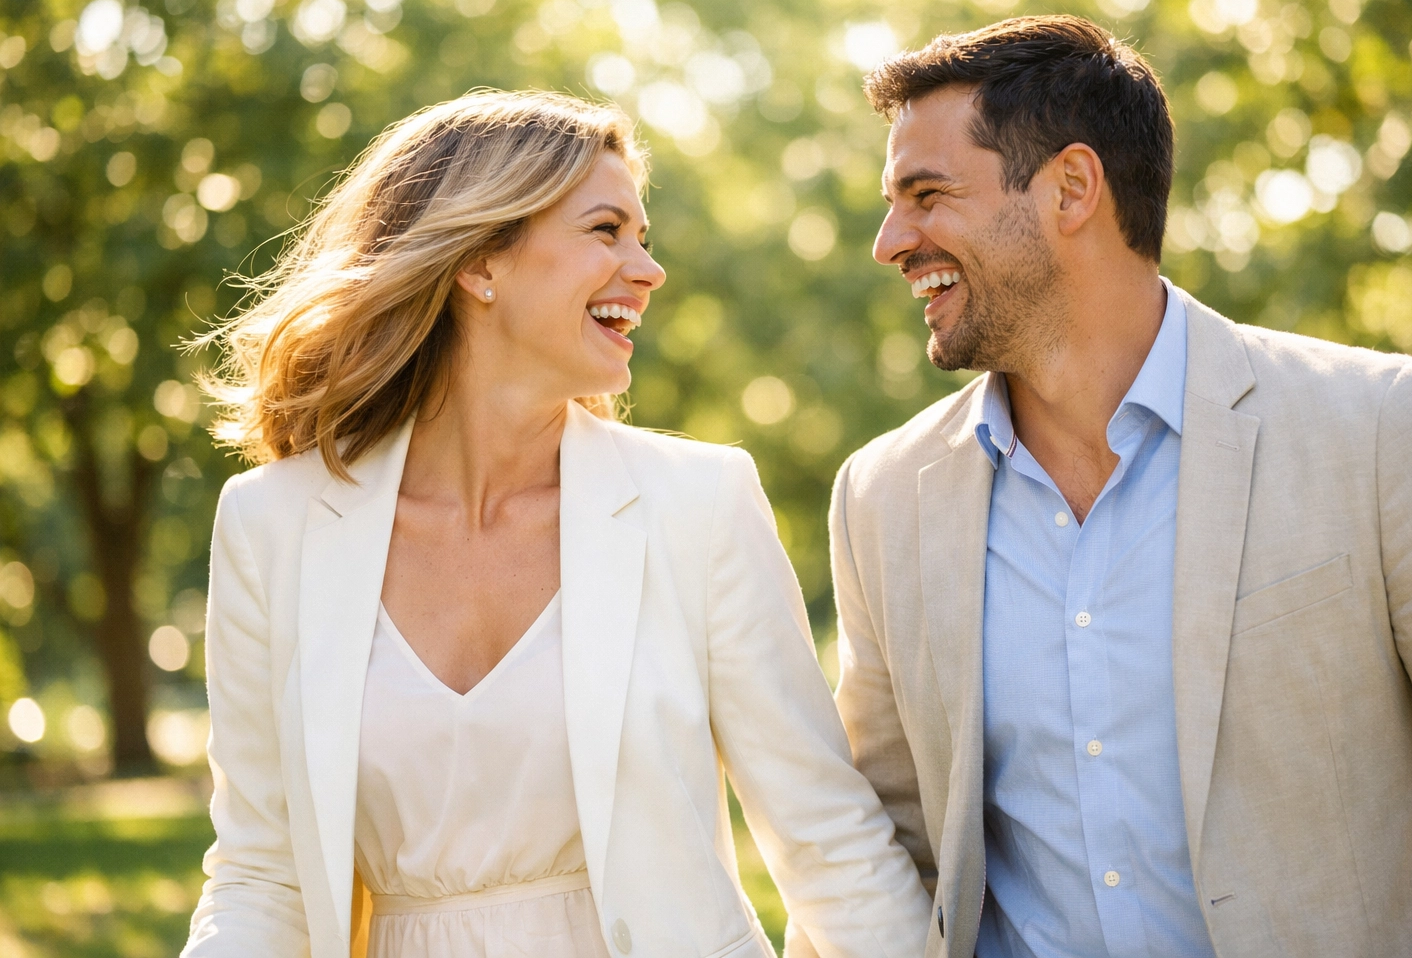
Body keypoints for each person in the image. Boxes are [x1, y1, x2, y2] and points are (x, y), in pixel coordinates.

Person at [811, 15, 1412, 958]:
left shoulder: (1376, 428)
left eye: (928, 194)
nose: (890, 241)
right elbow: (889, 856)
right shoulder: (883, 498)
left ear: (1072, 188)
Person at [182, 90, 931, 958]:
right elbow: (260, 876)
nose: (647, 270)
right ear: (480, 261)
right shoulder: (272, 525)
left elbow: (825, 838)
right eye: (606, 231)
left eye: (642, 237)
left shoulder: (698, 503)